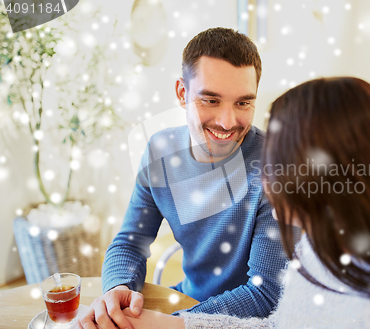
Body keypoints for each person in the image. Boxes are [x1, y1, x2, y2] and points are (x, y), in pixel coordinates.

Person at [115, 77, 370, 329]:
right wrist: (167, 324)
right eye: (210, 99)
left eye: (277, 155)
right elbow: (283, 324)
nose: (266, 171)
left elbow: (265, 300)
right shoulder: (323, 244)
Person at [79, 28, 297, 329]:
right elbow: (131, 241)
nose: (227, 122)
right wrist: (119, 287)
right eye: (210, 100)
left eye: (243, 103)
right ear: (182, 93)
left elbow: (266, 295)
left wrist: (172, 324)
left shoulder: (278, 166)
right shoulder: (159, 152)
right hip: (187, 303)